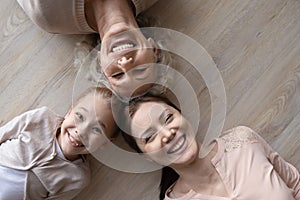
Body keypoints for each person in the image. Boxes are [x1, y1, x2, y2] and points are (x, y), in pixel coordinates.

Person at [122, 95, 300, 200]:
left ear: (183, 116)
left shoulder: (243, 140)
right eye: (150, 136)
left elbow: (295, 184)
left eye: (168, 118)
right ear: (146, 156)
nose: (168, 133)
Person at [16, 0, 169, 98]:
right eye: (139, 70)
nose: (125, 64)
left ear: (100, 61)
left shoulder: (49, 15)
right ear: (154, 49)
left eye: (117, 75)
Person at [0, 87, 118, 199]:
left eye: (97, 129)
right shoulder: (41, 118)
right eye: (80, 116)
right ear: (69, 112)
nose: (81, 131)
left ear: (106, 142)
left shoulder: (77, 178)